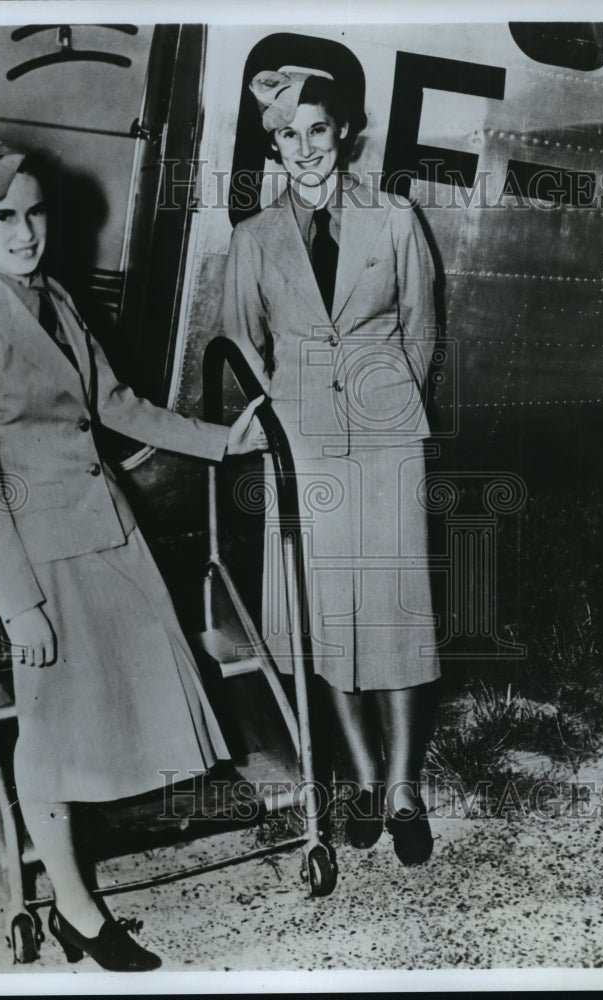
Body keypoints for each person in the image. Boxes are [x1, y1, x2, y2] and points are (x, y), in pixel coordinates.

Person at [0, 130, 267, 971]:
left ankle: (81, 897)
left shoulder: (57, 299)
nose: (25, 232)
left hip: (103, 530)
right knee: (48, 736)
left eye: (36, 213)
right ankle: (77, 910)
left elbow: (118, 405)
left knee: (94, 723)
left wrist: (225, 441)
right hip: (40, 556)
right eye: (3, 217)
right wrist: (17, 602)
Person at [223, 67, 441, 865]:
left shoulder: (394, 221)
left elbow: (422, 331)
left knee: (397, 615)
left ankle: (405, 788)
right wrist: (282, 426)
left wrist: (388, 406)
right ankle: (359, 774)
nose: (306, 149)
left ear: (343, 132)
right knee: (328, 623)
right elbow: (243, 347)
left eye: (319, 130)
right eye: (288, 135)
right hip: (304, 448)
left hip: (386, 441)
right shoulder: (252, 238)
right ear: (273, 146)